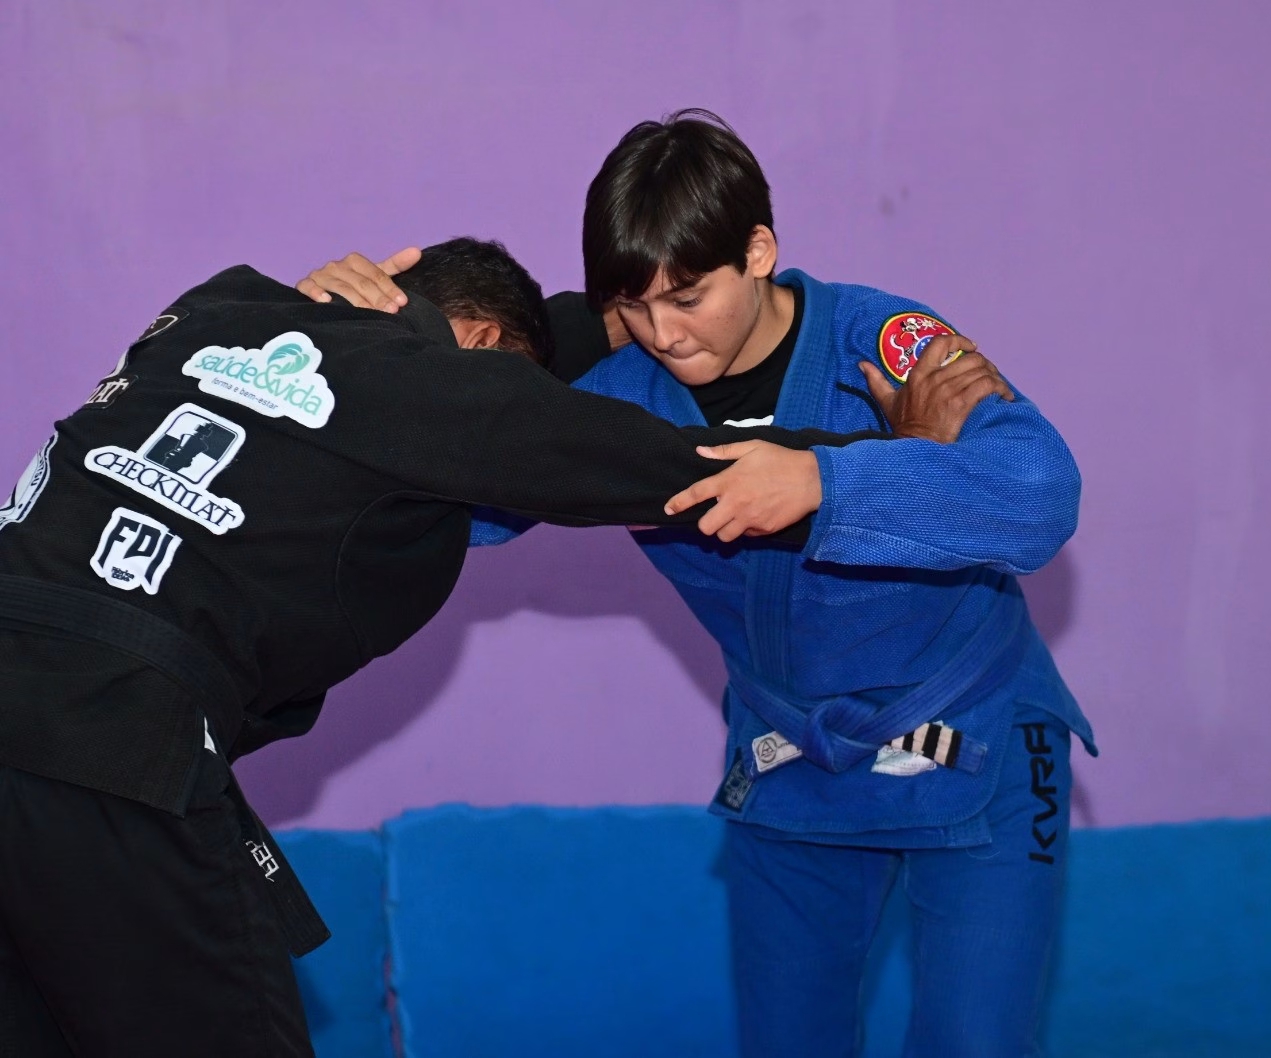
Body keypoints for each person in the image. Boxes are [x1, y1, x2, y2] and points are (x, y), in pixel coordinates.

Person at [303, 112, 1096, 1058]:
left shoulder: (884, 344)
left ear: (757, 252)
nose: (665, 335)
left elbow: (1039, 495)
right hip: (790, 755)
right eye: (634, 308)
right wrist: (332, 356)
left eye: (687, 297)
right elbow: (446, 515)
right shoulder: (615, 398)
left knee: (974, 1043)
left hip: (976, 738)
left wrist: (825, 481)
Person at [0, 236, 895, 1057]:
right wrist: (893, 461)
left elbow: (486, 342)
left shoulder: (219, 302)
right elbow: (658, 463)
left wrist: (626, 311)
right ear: (481, 346)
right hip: (114, 732)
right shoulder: (437, 386)